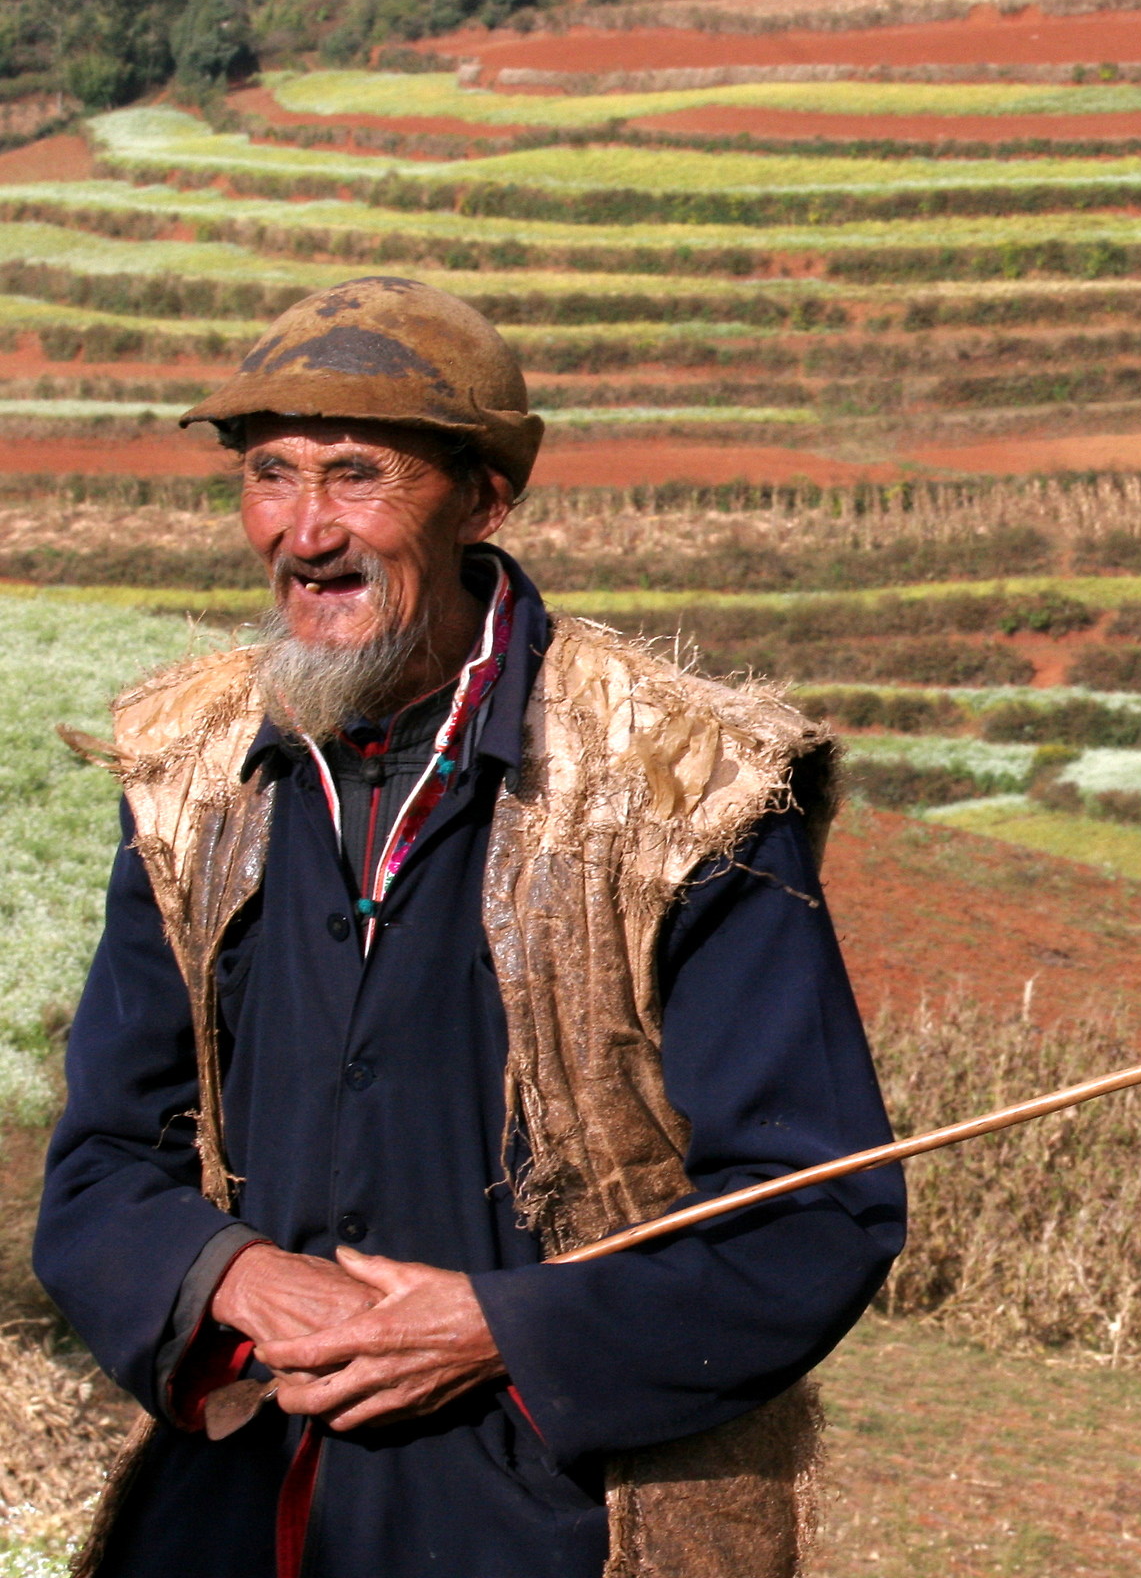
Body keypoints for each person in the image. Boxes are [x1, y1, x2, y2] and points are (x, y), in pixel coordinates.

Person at [34, 277, 904, 1578]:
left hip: (563, 1525)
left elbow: (814, 1217)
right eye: (270, 474)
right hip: (240, 1514)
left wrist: (501, 1326)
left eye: (355, 476)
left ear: (483, 498)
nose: (304, 530)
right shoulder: (189, 774)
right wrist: (231, 1278)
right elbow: (103, 1161)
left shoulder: (684, 785)